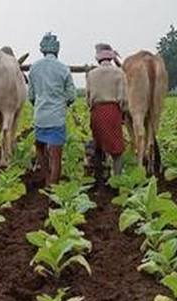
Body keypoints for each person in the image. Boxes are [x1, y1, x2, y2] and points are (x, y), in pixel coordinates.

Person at [28, 32, 76, 186]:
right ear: (57, 50)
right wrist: (64, 103)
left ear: (42, 50)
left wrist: (39, 103)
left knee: (40, 148)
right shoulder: (63, 68)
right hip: (56, 118)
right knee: (56, 157)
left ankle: (46, 177)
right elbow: (71, 96)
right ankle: (53, 187)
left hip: (40, 117)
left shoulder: (34, 68)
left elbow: (31, 95)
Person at [85, 43, 128, 181]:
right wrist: (122, 112)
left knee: (98, 147)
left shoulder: (91, 74)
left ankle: (99, 178)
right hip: (113, 111)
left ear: (98, 59)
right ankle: (117, 178)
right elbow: (123, 98)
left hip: (97, 112)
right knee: (117, 149)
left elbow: (88, 97)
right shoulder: (119, 73)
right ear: (110, 58)